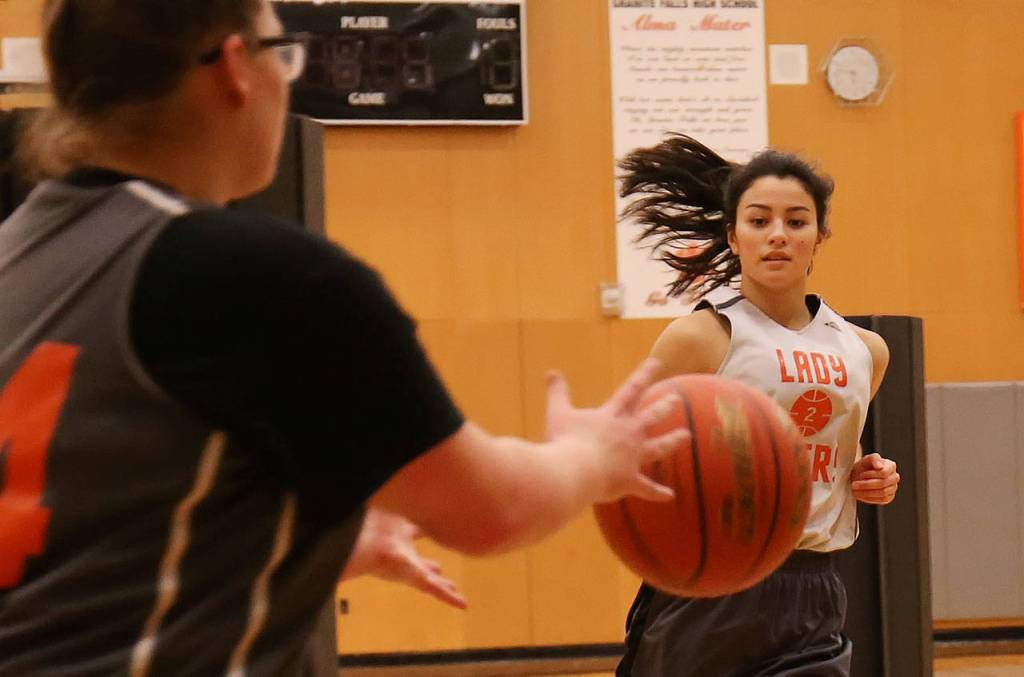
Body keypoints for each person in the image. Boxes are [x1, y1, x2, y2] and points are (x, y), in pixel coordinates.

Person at [0, 2, 691, 674]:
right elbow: (495, 510)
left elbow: (89, 526)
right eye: (284, 51)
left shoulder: (18, 254)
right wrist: (590, 454)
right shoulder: (255, 277)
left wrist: (315, 545)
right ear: (237, 68)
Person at [614, 134, 901, 677]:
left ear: (820, 237)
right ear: (733, 235)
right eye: (759, 220)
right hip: (710, 585)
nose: (778, 236)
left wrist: (871, 475)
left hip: (814, 586)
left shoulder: (864, 351)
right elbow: (625, 454)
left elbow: (838, 458)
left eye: (796, 221)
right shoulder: (700, 338)